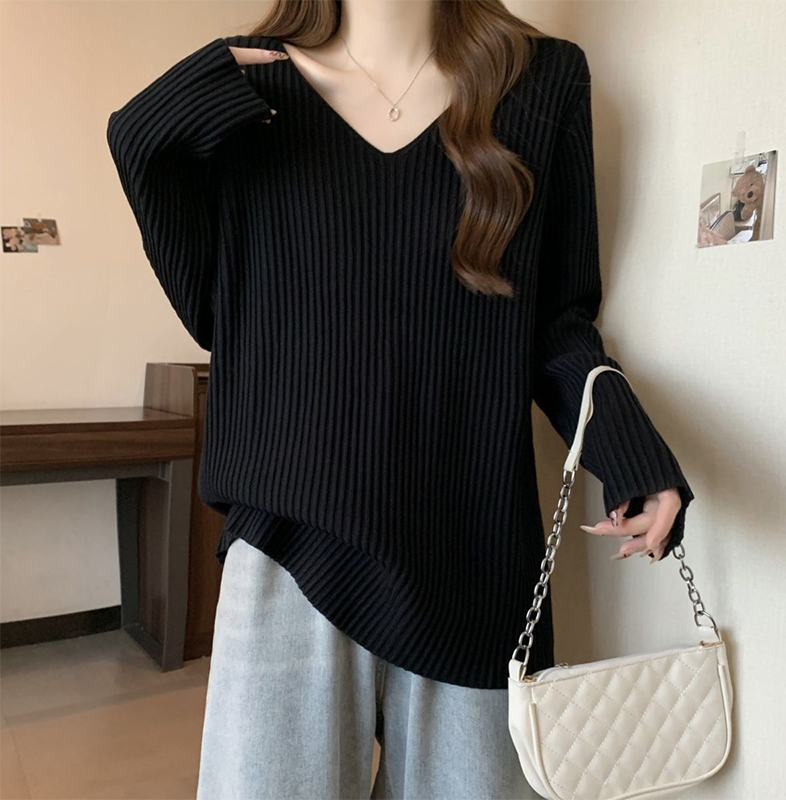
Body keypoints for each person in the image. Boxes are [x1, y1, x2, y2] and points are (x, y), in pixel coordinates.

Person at [106, 1, 695, 797]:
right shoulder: (252, 88)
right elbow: (220, 313)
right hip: (291, 544)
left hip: (473, 552)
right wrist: (174, 104)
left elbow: (556, 319)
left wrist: (627, 449)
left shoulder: (542, 81)